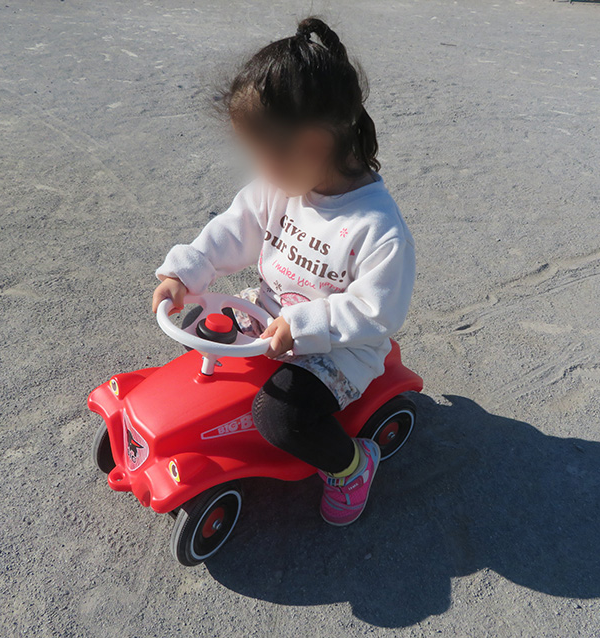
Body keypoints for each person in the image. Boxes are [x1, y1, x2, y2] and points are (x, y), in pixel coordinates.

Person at [152, 17, 415, 526]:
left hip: (337, 351)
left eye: (264, 155)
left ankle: (352, 466)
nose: (259, 170)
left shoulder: (377, 230)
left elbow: (378, 311)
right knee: (201, 329)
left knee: (281, 416)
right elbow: (235, 227)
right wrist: (188, 271)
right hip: (267, 316)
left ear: (312, 147)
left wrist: (303, 325)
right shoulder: (279, 189)